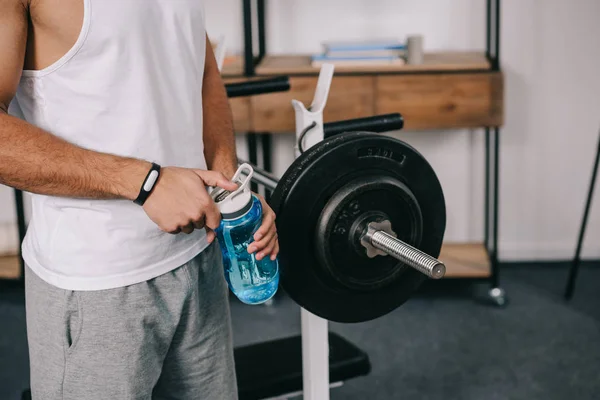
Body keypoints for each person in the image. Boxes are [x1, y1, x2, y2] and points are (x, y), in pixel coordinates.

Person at [0, 0, 279, 398]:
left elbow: (202, 73)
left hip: (198, 262)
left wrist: (231, 191)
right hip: (98, 285)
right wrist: (144, 182)